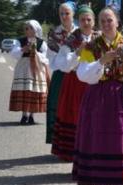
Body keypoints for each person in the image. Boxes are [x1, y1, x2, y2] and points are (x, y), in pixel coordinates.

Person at [75, 7, 123, 185]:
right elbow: (83, 75)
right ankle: (99, 182)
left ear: (117, 22)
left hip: (120, 96)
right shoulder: (90, 46)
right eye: (102, 20)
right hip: (97, 96)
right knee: (97, 138)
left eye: (110, 20)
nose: (106, 23)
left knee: (119, 141)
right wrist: (102, 60)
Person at [51, 5, 98, 162]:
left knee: (93, 117)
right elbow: (63, 65)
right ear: (78, 21)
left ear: (94, 21)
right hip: (74, 82)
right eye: (83, 19)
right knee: (74, 115)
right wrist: (77, 52)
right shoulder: (72, 39)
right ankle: (70, 151)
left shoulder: (99, 38)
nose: (86, 22)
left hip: (94, 83)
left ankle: (91, 150)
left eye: (88, 19)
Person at [45, 1, 77, 144]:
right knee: (60, 108)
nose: (64, 16)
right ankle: (60, 142)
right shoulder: (54, 34)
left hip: (79, 76)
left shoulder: (80, 32)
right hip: (61, 75)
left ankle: (79, 143)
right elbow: (52, 59)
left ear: (73, 14)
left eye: (67, 13)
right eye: (61, 13)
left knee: (77, 110)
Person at [9, 20, 49, 125]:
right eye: (26, 28)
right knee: (25, 90)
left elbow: (46, 58)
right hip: (23, 69)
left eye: (29, 28)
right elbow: (13, 53)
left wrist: (35, 53)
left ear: (35, 29)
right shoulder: (20, 41)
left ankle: (31, 115)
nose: (27, 30)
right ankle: (24, 115)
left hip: (37, 69)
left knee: (34, 91)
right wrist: (23, 50)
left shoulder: (41, 43)